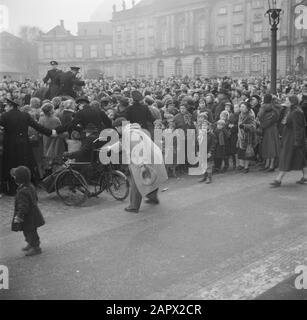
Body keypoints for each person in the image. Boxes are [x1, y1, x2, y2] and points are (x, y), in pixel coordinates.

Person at [105, 120, 168, 213]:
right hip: (152, 156)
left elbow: (138, 150)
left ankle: (133, 206)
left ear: (119, 127)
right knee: (150, 178)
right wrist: (110, 148)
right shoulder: (132, 130)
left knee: (136, 183)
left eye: (116, 129)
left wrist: (142, 165)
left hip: (143, 159)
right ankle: (152, 197)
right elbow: (123, 143)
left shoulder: (130, 134)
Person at [0, 99, 52, 196]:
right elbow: (37, 126)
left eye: (6, 106)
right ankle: (25, 188)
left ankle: (12, 190)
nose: (5, 107)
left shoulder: (5, 116)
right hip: (24, 145)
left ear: (11, 106)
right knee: (24, 165)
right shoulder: (25, 115)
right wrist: (50, 132)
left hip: (10, 146)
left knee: (11, 166)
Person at [270, 95, 306, 187]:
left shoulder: (296, 112)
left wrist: (297, 141)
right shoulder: (292, 110)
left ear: (292, 102)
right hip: (290, 137)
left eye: (287, 100)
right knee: (300, 159)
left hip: (292, 138)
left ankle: (278, 179)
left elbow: (299, 128)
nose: (285, 101)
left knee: (286, 157)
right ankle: (305, 177)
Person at [10, 166, 45, 257]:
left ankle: (36, 248)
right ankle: (30, 244)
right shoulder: (30, 186)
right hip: (33, 214)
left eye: (15, 177)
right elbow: (35, 198)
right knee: (28, 231)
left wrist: (19, 216)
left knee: (30, 232)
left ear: (18, 179)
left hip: (28, 216)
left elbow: (23, 206)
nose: (13, 178)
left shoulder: (23, 191)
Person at [237, 101, 256, 174]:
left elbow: (253, 127)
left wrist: (245, 126)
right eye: (240, 107)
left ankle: (246, 167)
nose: (241, 108)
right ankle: (242, 165)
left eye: (243, 107)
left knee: (247, 152)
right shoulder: (240, 115)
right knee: (241, 151)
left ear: (247, 108)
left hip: (248, 137)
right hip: (241, 136)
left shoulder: (250, 116)